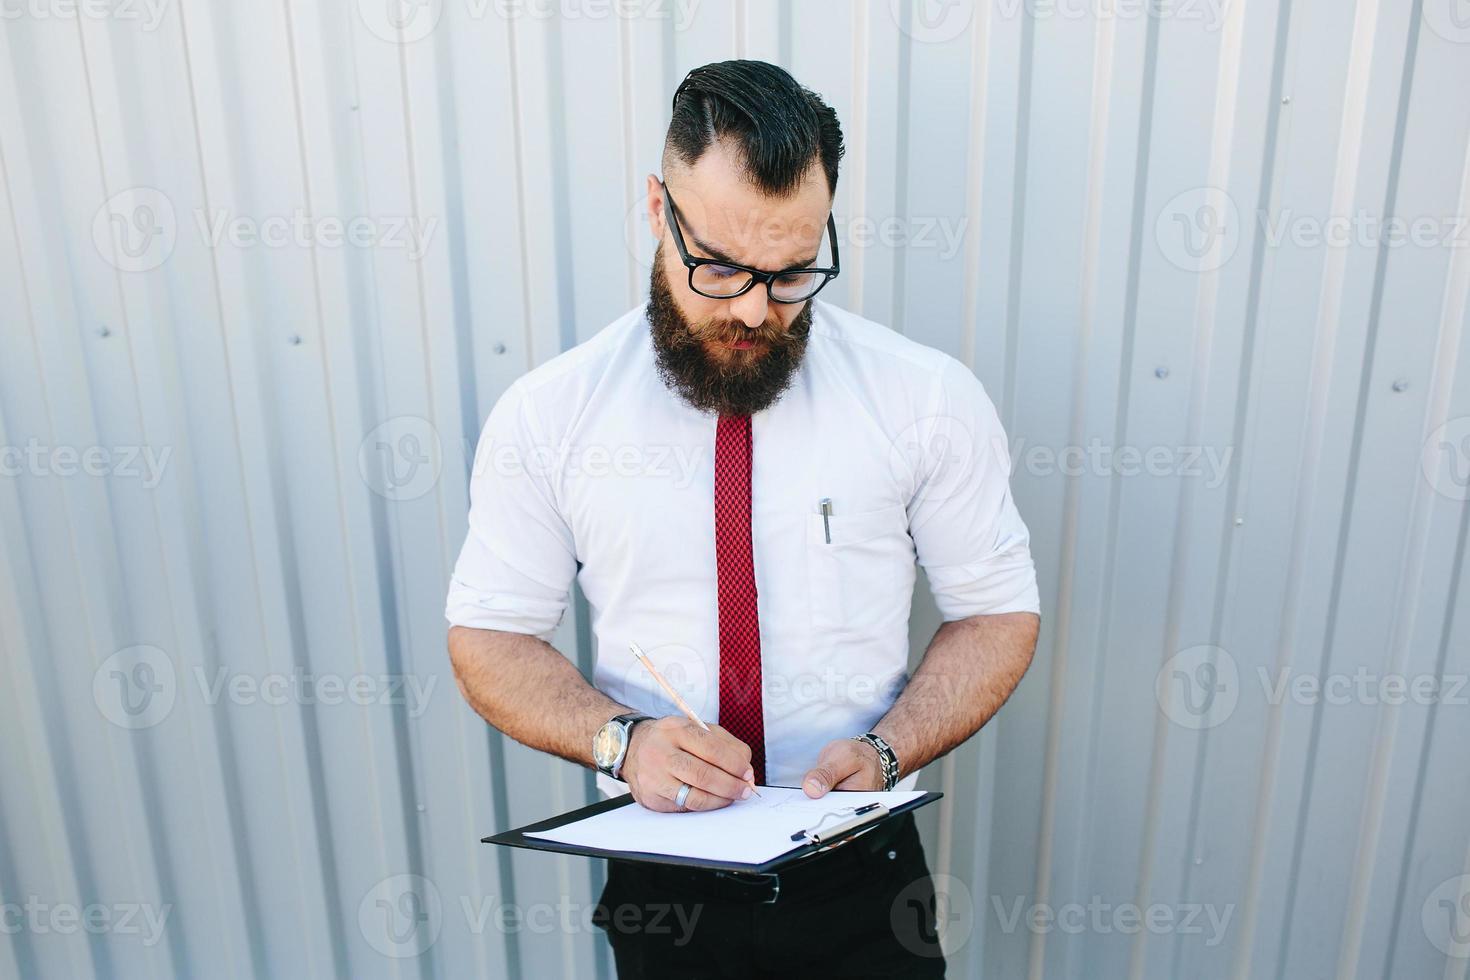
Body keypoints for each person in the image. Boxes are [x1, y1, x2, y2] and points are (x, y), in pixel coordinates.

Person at [446, 59, 1040, 978]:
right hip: (664, 879)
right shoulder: (550, 415)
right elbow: (490, 636)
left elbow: (996, 611)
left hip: (864, 874)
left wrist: (892, 749)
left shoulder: (925, 399)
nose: (757, 308)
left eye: (794, 271)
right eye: (719, 267)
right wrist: (622, 741)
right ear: (657, 210)